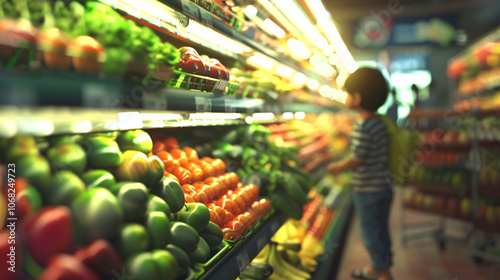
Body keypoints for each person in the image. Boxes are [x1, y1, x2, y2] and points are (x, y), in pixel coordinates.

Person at [327, 67, 393, 280]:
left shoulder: (363, 126)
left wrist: (337, 167)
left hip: (367, 191)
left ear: (357, 98)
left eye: (348, 93)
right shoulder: (378, 123)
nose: (345, 97)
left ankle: (383, 273)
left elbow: (358, 159)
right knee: (381, 230)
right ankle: (381, 267)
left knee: (371, 233)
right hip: (383, 188)